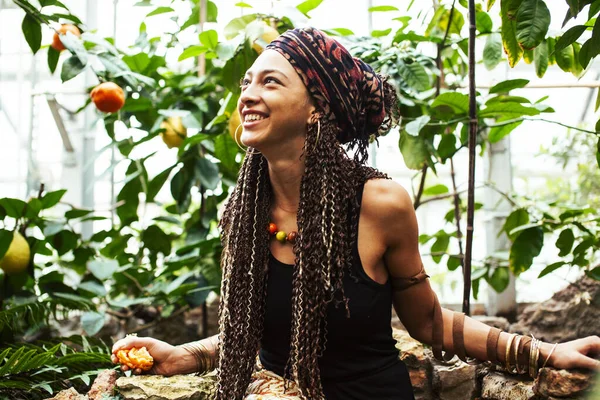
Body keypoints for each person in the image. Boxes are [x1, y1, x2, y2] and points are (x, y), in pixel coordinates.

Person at [112, 27, 600, 400]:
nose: (247, 94)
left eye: (270, 81)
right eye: (246, 81)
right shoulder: (242, 211)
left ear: (314, 109)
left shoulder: (379, 203)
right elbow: (253, 327)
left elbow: (427, 321)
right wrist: (185, 355)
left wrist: (542, 353)